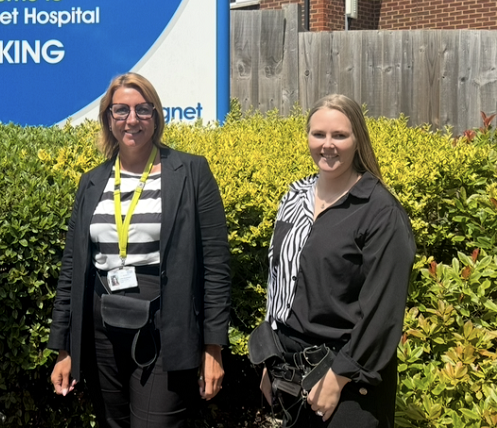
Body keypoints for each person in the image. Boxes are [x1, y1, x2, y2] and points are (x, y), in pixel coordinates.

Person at [48, 72, 232, 427]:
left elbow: (216, 265)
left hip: (165, 323)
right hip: (103, 328)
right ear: (108, 118)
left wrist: (214, 347)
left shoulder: (191, 172)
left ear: (157, 116)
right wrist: (65, 347)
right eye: (121, 111)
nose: (132, 120)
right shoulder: (92, 182)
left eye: (143, 110)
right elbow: (72, 268)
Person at [252, 94, 416, 427]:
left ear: (358, 140)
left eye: (340, 135)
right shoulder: (295, 196)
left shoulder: (380, 212)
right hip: (291, 369)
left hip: (349, 383)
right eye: (319, 134)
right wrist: (271, 357)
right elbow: (280, 282)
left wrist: (339, 377)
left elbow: (383, 315)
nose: (328, 145)